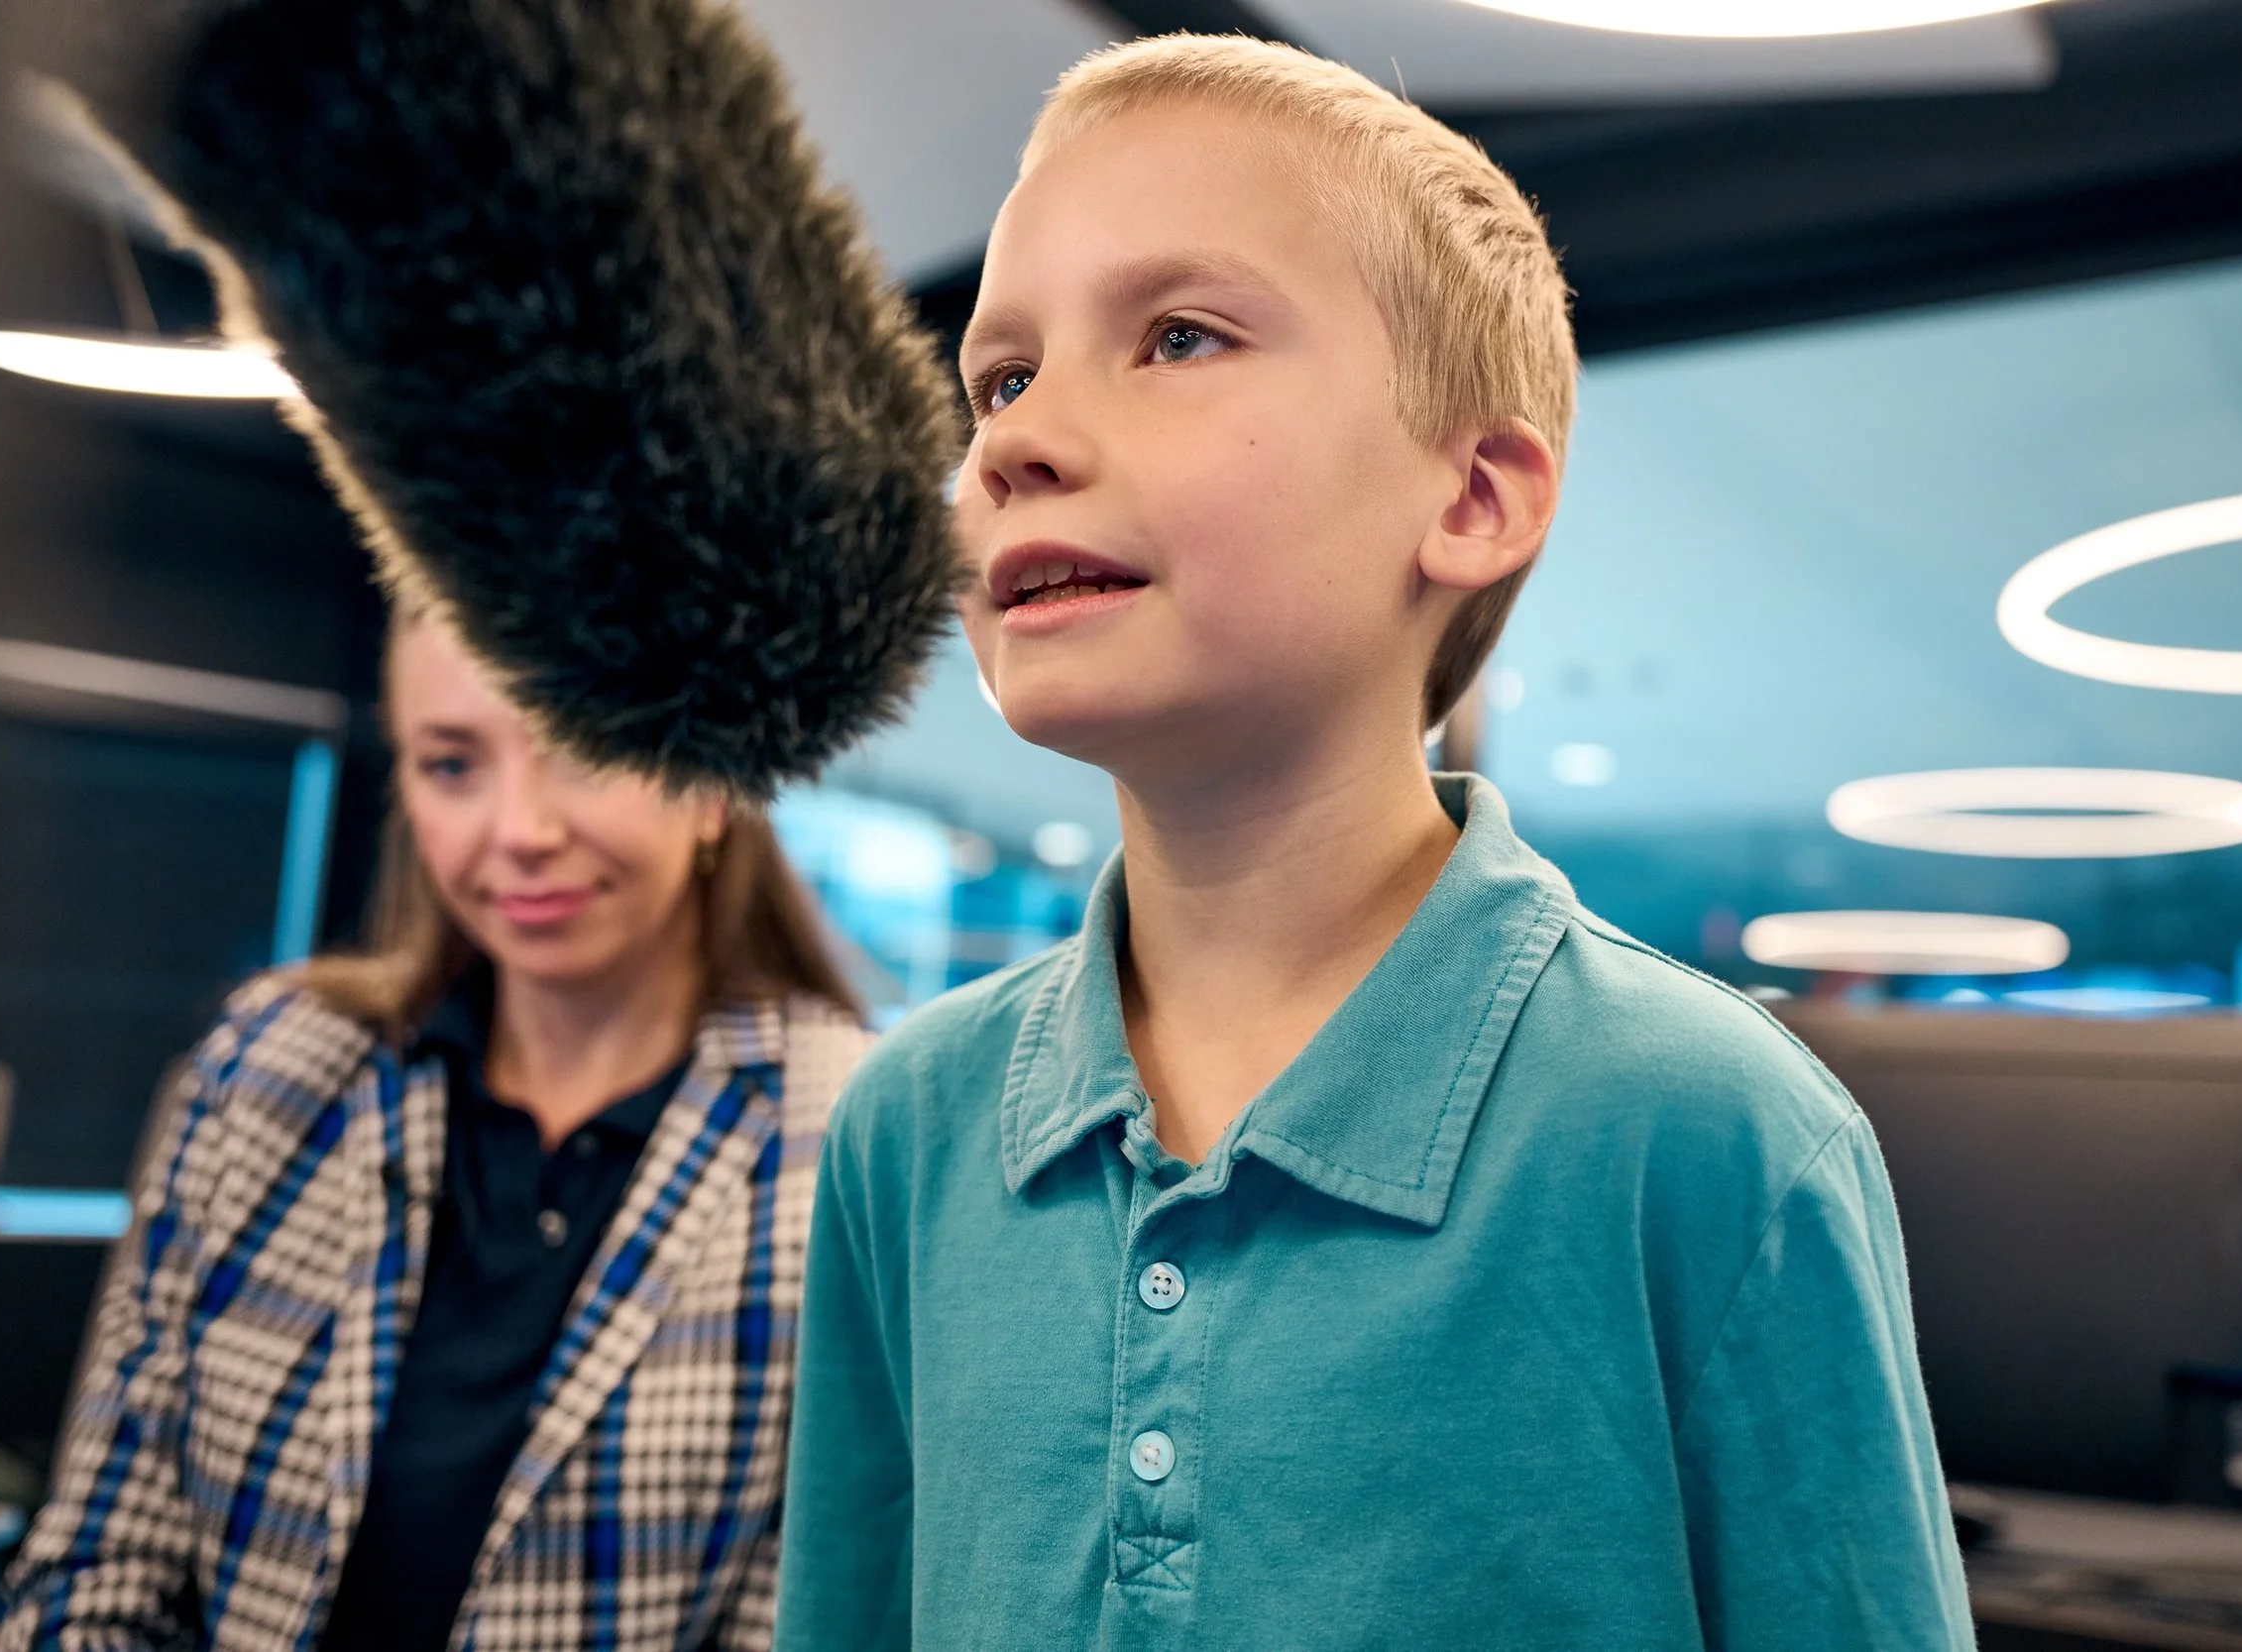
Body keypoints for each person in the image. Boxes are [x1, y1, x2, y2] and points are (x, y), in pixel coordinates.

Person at [778, 35, 1973, 1651]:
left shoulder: (1710, 1132)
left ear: (1475, 494)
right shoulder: (908, 1128)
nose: (1011, 440)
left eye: (1178, 336)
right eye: (998, 377)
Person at [0, 603, 872, 1652]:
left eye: (583, 745)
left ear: (718, 777)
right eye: (452, 764)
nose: (519, 830)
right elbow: (103, 1556)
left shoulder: (847, 1138)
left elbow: (796, 1623)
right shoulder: (269, 1070)